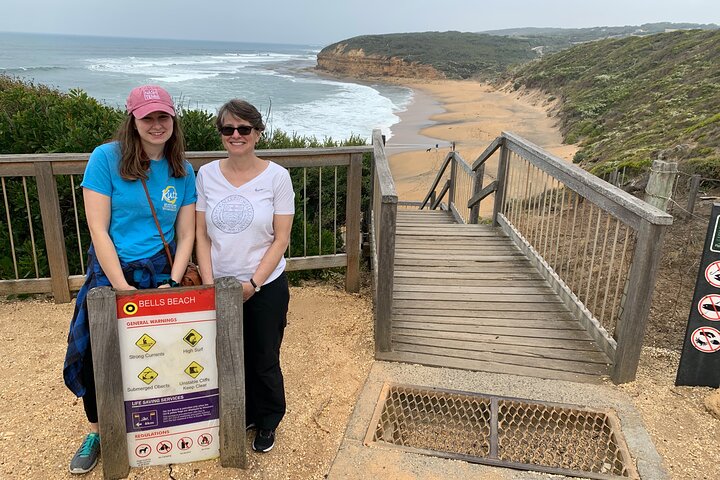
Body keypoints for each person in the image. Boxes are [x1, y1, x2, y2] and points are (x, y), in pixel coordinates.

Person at [63, 85, 196, 474]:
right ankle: (97, 433)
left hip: (161, 272)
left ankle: (154, 426)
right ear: (133, 120)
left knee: (160, 351)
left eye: (163, 117)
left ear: (173, 120)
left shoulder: (182, 169)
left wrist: (172, 281)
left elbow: (186, 234)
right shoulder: (106, 159)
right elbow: (98, 229)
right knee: (96, 357)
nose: (156, 125)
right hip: (112, 271)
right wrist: (121, 286)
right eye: (148, 117)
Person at [195, 99, 294, 453]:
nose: (236, 135)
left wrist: (252, 284)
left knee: (264, 356)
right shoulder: (205, 174)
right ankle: (243, 413)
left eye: (244, 129)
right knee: (226, 355)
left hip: (265, 285)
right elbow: (201, 235)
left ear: (257, 132)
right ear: (221, 134)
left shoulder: (277, 177)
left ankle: (268, 420)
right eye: (228, 129)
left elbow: (281, 238)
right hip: (218, 285)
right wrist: (210, 284)